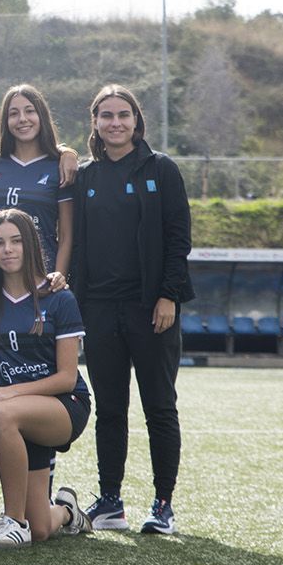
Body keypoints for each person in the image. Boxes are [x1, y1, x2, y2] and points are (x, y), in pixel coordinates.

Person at [71, 84, 193, 536]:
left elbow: (179, 239)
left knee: (160, 406)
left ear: (137, 122)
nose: (115, 122)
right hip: (100, 309)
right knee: (111, 409)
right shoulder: (85, 176)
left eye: (123, 115)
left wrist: (168, 295)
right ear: (96, 123)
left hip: (150, 309)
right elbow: (78, 243)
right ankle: (111, 500)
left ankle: (163, 503)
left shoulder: (161, 169)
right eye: (106, 115)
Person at [0, 209, 93, 547]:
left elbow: (67, 378)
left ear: (31, 246)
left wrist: (11, 393)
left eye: (15, 241)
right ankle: (68, 511)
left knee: (3, 412)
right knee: (42, 527)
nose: (7, 250)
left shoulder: (59, 298)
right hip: (21, 412)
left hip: (64, 405)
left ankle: (13, 522)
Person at [0, 84, 76, 277]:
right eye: (14, 113)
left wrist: (58, 276)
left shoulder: (59, 166)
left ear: (41, 116)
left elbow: (67, 235)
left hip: (42, 273)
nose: (22, 119)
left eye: (29, 111)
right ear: (5, 121)